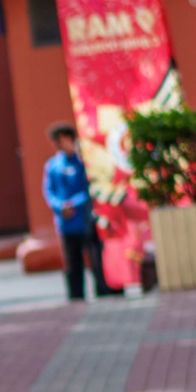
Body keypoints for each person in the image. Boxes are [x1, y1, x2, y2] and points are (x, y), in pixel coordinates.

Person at [44, 122, 116, 300]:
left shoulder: (85, 163)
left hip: (86, 221)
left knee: (96, 259)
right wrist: (60, 206)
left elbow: (93, 187)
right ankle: (76, 297)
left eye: (60, 140)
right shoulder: (53, 166)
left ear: (70, 139)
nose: (56, 144)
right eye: (54, 141)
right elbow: (49, 191)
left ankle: (104, 291)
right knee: (73, 263)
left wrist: (74, 204)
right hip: (66, 223)